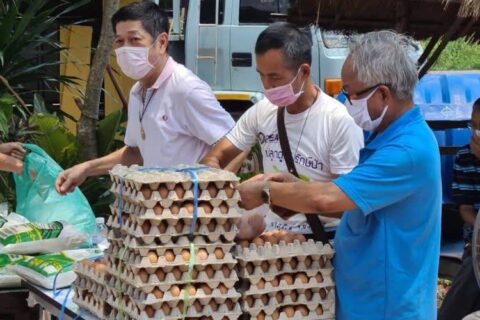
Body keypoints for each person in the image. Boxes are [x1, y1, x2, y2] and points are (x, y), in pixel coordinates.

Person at [237, 30, 442, 319]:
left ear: (382, 94)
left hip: (388, 307)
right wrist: (295, 188)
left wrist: (264, 191)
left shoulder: (408, 150)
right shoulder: (382, 139)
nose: (346, 102)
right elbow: (353, 200)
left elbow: (327, 199)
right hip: (365, 300)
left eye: (352, 93)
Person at [201, 22, 363, 237]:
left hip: (322, 241)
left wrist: (272, 195)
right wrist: (216, 179)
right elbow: (216, 156)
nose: (267, 86)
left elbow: (351, 206)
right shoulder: (262, 112)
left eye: (275, 77)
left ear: (304, 71)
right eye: (261, 75)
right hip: (272, 239)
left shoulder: (337, 121)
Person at [56, 1, 234, 195]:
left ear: (162, 42)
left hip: (190, 213)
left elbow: (235, 143)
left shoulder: (185, 89)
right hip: (160, 211)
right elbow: (136, 153)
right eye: (119, 41)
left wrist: (210, 195)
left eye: (134, 39)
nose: (125, 49)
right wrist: (86, 168)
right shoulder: (137, 92)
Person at [438, 97, 480, 320]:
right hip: (476, 242)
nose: (476, 134)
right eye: (474, 126)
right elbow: (465, 209)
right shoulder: (464, 157)